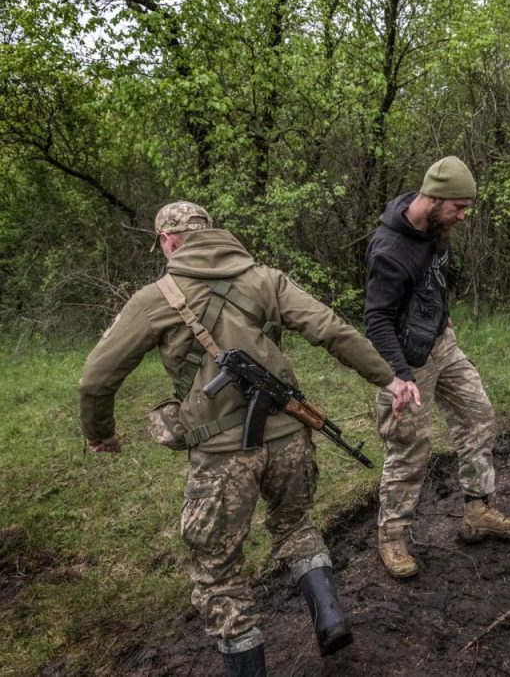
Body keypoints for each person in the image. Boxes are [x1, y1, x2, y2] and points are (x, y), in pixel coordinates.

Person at [79, 202, 413, 676]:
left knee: (217, 569)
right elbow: (331, 329)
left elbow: (95, 381)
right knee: (295, 524)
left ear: (169, 241)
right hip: (290, 438)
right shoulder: (265, 279)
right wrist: (388, 378)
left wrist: (101, 434)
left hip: (221, 456)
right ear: (210, 234)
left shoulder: (155, 297)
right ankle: (330, 619)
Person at [364, 156, 510, 579]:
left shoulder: (435, 227)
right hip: (403, 362)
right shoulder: (389, 251)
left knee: (479, 417)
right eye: (458, 207)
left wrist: (443, 313)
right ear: (433, 198)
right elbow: (376, 320)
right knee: (408, 449)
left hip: (441, 344)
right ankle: (393, 537)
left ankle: (478, 511)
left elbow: (435, 277)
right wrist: (400, 374)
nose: (462, 216)